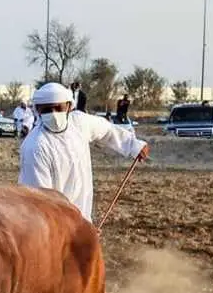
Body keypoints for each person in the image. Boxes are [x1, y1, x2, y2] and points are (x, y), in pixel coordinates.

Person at [19, 82, 149, 222]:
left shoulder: (80, 123)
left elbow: (106, 131)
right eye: (47, 110)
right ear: (38, 110)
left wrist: (133, 145)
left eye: (58, 108)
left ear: (68, 106)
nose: (54, 114)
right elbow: (40, 200)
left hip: (83, 218)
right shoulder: (35, 147)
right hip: (55, 227)